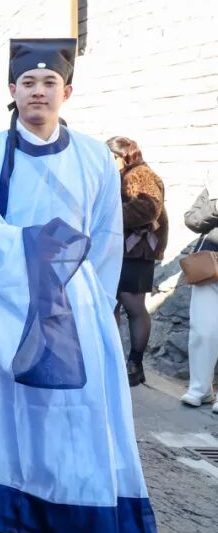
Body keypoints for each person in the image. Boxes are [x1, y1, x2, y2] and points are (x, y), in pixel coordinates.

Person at [0, 39, 158, 533]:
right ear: (12, 90)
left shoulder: (93, 157)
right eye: (28, 83)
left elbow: (106, 235)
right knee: (1, 416)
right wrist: (35, 248)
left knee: (71, 416)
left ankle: (78, 522)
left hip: (73, 304)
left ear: (67, 91)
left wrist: (90, 299)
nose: (38, 91)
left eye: (49, 83)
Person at [107, 136, 168, 386]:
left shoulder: (140, 174)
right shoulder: (122, 175)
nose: (107, 162)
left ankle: (135, 364)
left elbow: (149, 208)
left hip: (136, 252)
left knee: (133, 306)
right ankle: (112, 361)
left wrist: (109, 214)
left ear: (123, 156)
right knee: (111, 305)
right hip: (120, 252)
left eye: (111, 157)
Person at [181, 173, 218, 409]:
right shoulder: (215, 184)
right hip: (209, 265)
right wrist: (215, 207)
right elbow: (192, 220)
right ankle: (200, 389)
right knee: (203, 329)